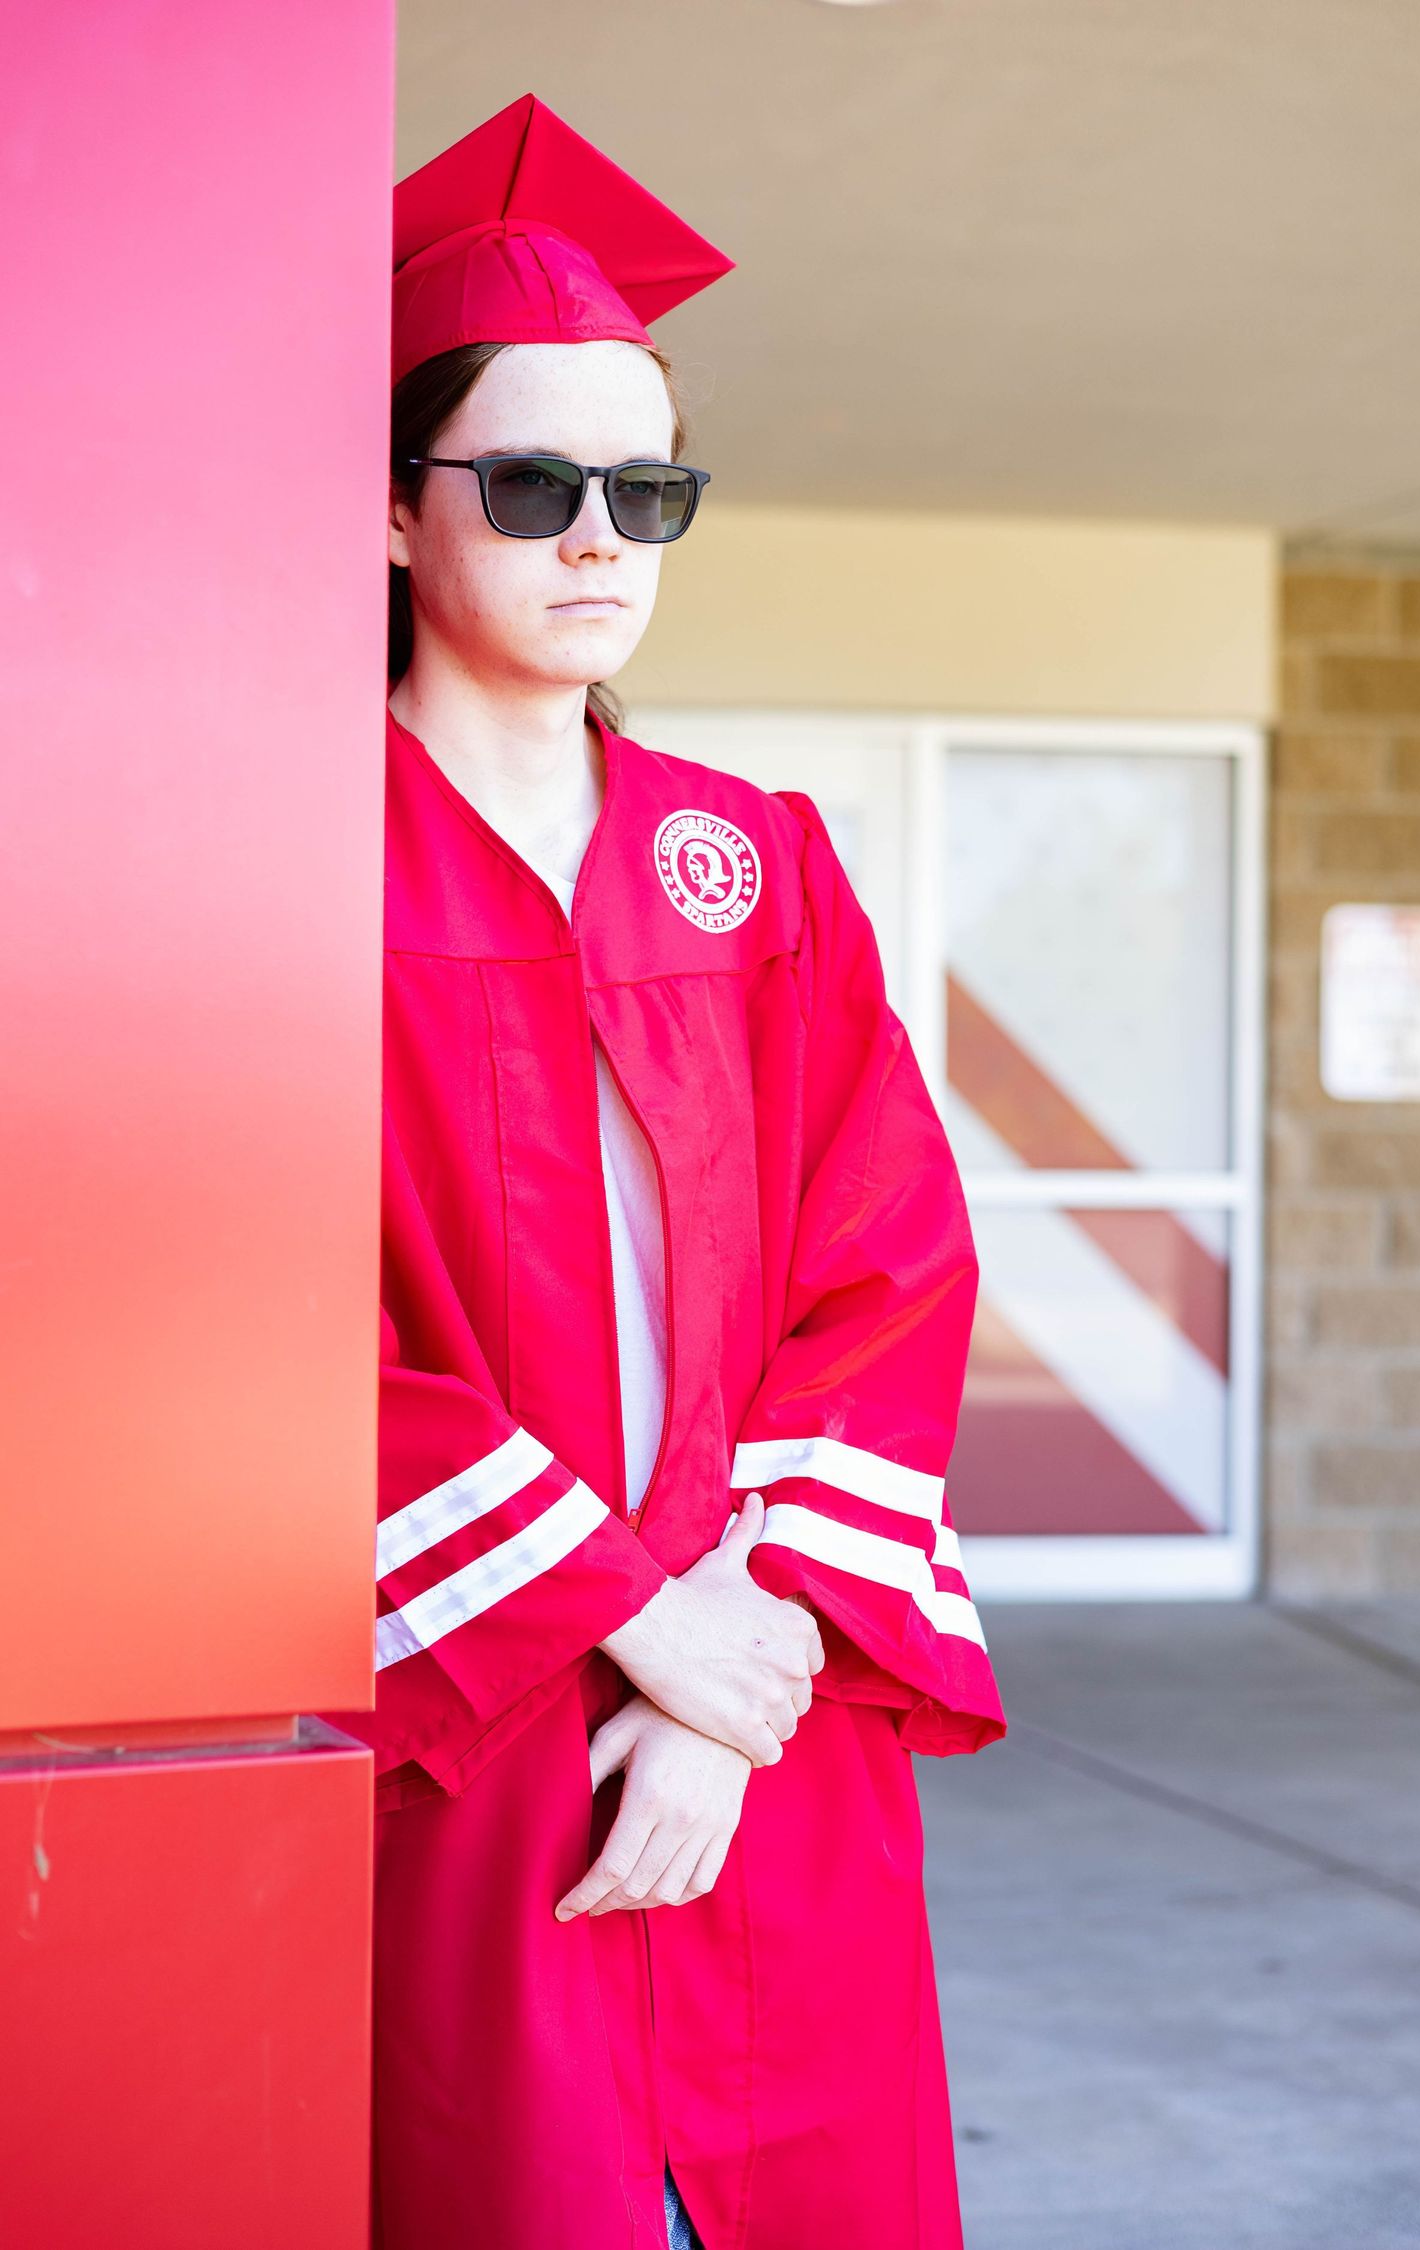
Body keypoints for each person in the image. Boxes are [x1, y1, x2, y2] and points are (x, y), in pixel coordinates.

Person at [322, 91, 1007, 2250]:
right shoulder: (271, 868)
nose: (600, 538)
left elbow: (886, 1271)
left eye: (650, 488)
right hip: (471, 1699)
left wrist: (741, 1662)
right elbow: (250, 1329)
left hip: (762, 1709)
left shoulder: (756, 866)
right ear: (391, 516)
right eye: (532, 484)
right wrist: (625, 1627)